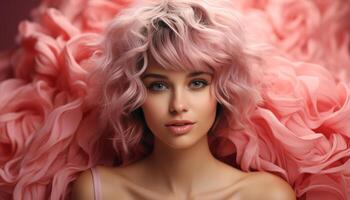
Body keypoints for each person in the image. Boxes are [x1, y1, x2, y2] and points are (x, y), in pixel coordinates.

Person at [71, 0, 296, 199]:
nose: (178, 105)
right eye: (158, 86)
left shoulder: (268, 195)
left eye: (197, 83)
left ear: (224, 89)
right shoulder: (97, 191)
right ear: (134, 94)